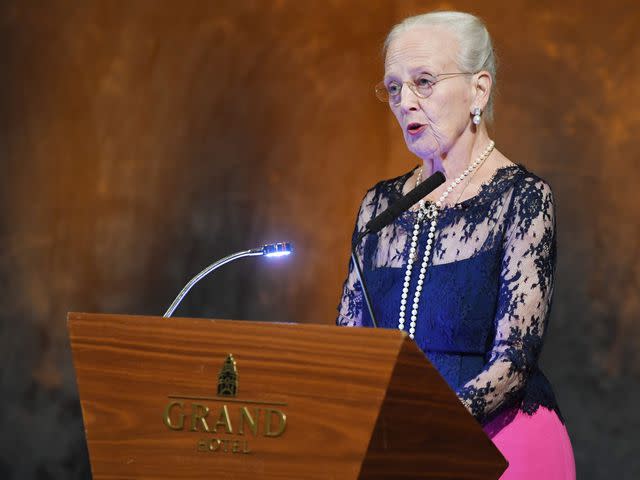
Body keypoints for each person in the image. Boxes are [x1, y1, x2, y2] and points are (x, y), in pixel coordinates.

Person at [336, 11, 576, 479]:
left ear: (479, 90)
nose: (404, 101)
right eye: (393, 87)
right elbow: (348, 351)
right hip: (393, 448)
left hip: (499, 444)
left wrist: (427, 425)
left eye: (423, 82)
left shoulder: (522, 199)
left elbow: (514, 360)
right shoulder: (377, 206)